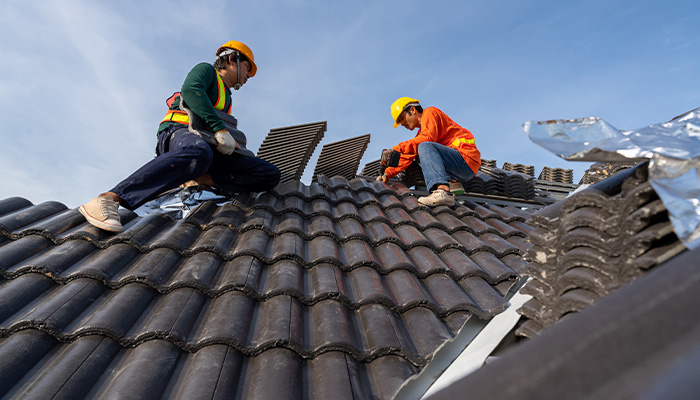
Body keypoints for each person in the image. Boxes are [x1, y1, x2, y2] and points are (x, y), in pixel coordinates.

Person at [79, 40, 281, 232]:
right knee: (198, 151)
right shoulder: (206, 71)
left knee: (267, 173)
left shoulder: (227, 97)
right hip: (179, 134)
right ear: (231, 59)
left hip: (206, 148)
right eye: (247, 67)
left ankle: (201, 178)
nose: (248, 75)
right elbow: (191, 90)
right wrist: (220, 129)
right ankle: (109, 199)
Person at [377, 97, 480, 207]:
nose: (402, 124)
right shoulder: (422, 133)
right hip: (460, 167)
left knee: (424, 147)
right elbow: (408, 156)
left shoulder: (430, 112)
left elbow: (427, 139)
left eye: (402, 118)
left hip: (465, 159)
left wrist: (397, 148)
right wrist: (388, 173)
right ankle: (453, 183)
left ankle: (443, 191)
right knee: (419, 152)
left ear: (412, 110)